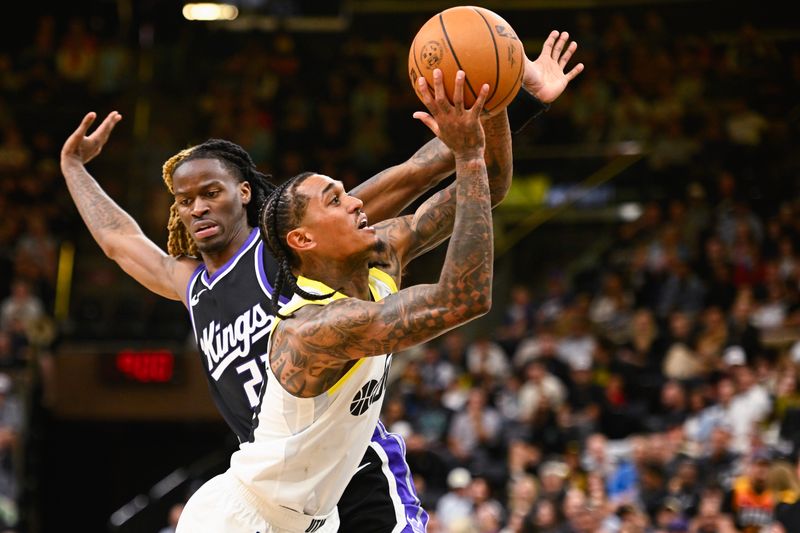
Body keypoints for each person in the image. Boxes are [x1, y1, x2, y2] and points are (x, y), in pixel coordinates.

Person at [60, 30, 583, 532]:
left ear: (244, 192)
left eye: (211, 193)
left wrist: (511, 95)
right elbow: (118, 240)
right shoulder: (192, 284)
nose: (196, 207)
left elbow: (419, 173)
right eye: (184, 199)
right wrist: (74, 167)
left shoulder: (292, 243)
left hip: (350, 469)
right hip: (272, 484)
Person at [177, 66, 494, 533]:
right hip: (241, 518)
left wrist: (501, 94)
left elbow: (494, 185)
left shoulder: (381, 257)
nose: (358, 202)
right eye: (336, 199)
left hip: (314, 519)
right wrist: (467, 156)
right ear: (303, 240)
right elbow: (463, 298)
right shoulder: (312, 329)